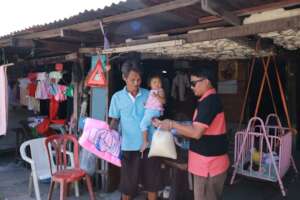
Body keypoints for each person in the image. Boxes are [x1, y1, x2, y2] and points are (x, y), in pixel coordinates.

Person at [153, 67, 229, 200]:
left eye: (194, 83)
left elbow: (196, 133)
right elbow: (197, 130)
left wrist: (172, 124)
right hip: (206, 165)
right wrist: (170, 129)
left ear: (206, 81)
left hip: (209, 167)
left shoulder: (209, 102)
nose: (191, 87)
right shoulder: (207, 100)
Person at [109, 60, 162, 200]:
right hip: (128, 147)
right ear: (124, 78)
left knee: (152, 185)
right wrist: (108, 130)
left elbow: (157, 111)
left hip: (150, 146)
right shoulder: (117, 97)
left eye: (139, 79)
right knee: (128, 187)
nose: (136, 83)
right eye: (132, 80)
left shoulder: (149, 94)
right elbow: (115, 120)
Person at [140, 75, 166, 156]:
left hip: (153, 111)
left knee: (143, 125)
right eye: (154, 82)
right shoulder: (151, 91)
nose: (157, 84)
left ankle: (145, 142)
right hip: (151, 111)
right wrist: (146, 104)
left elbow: (163, 101)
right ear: (150, 85)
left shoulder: (160, 91)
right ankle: (153, 144)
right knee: (153, 127)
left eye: (159, 82)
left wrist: (157, 96)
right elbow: (152, 102)